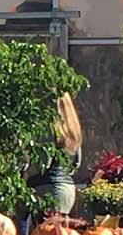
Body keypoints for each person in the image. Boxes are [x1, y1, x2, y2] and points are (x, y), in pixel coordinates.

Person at [27, 93, 82, 222]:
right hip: (68, 188)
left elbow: (43, 163)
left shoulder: (48, 129)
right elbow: (76, 164)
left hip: (47, 187)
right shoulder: (74, 130)